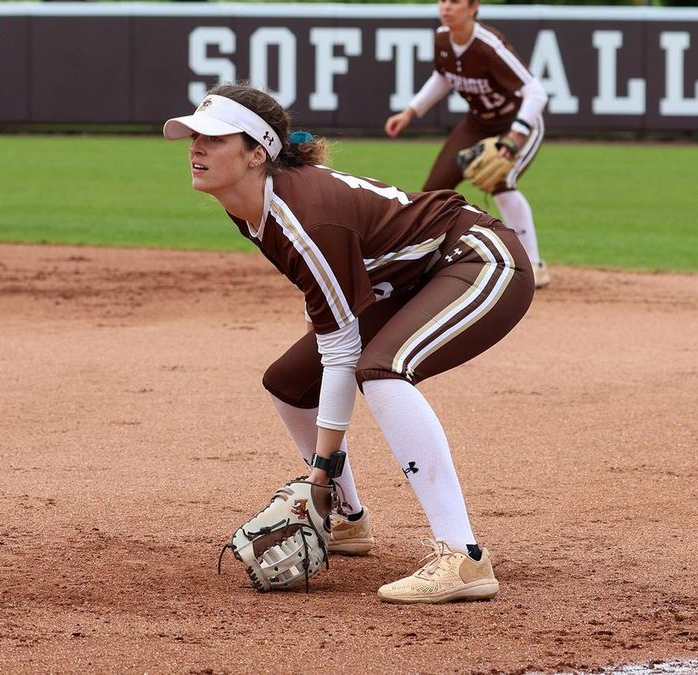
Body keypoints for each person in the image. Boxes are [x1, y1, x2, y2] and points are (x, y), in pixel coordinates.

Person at [164, 83, 533, 604]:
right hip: (408, 279)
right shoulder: (251, 206)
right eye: (194, 135)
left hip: (478, 259)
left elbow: (341, 350)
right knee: (290, 382)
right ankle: (348, 520)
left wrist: (319, 470)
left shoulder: (303, 215)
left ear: (257, 153)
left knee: (382, 370)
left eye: (216, 138)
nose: (197, 147)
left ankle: (462, 555)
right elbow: (334, 313)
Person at [384, 0, 551, 289]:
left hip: (517, 125)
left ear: (474, 7)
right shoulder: (442, 39)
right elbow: (443, 77)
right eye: (443, 1)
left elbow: (536, 93)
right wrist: (411, 111)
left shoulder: (489, 45)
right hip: (477, 124)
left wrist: (514, 137)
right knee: (434, 189)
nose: (446, 7)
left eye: (456, 1)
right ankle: (422, 261)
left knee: (500, 182)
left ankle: (535, 264)